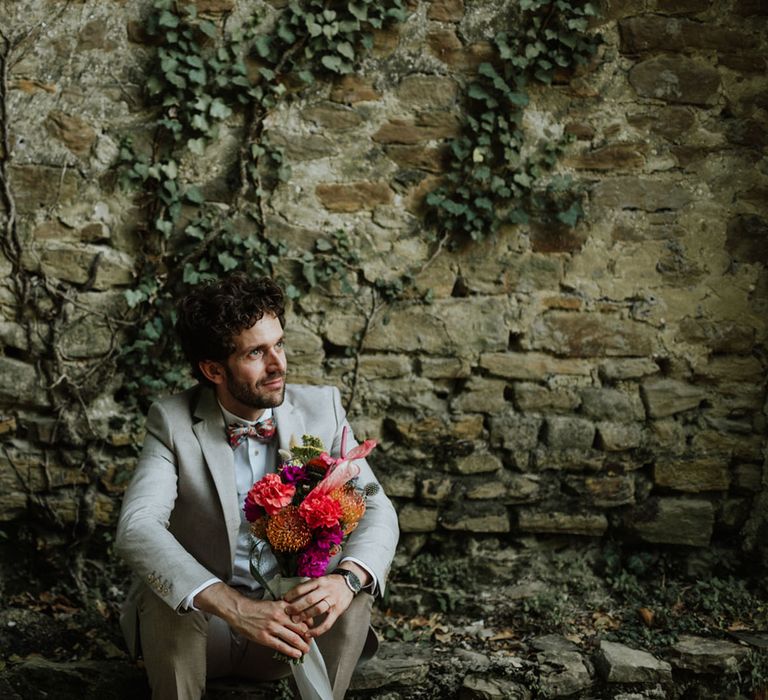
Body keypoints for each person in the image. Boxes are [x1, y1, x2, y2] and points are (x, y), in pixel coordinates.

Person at [115, 274, 399, 700]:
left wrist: (347, 580)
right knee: (169, 593)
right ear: (213, 369)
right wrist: (236, 608)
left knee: (352, 590)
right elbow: (137, 526)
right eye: (256, 352)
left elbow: (376, 508)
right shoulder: (172, 422)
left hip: (292, 631)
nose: (278, 364)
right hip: (206, 632)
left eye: (279, 344)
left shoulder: (322, 409)